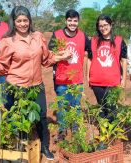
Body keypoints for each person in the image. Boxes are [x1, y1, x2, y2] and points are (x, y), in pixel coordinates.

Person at [0, 6, 71, 160]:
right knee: (16, 119)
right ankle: (20, 149)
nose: (23, 23)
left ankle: (44, 147)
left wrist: (61, 56)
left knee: (41, 117)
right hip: (15, 87)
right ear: (14, 22)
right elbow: (2, 64)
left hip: (36, 86)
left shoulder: (38, 37)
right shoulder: (7, 41)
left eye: (25, 20)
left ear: (30, 21)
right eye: (19, 21)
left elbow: (46, 58)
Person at [48, 9, 91, 138]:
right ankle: (62, 130)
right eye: (70, 20)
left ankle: (76, 129)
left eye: (75, 20)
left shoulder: (83, 36)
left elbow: (91, 52)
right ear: (66, 21)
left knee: (76, 106)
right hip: (61, 79)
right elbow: (49, 54)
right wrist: (62, 55)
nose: (72, 23)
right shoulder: (57, 34)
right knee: (62, 106)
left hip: (77, 79)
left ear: (78, 21)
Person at [87, 14, 127, 122]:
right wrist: (87, 77)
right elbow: (90, 59)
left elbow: (124, 60)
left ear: (111, 25)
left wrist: (123, 79)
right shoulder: (93, 41)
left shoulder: (119, 41)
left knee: (111, 107)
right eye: (100, 26)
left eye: (105, 25)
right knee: (102, 106)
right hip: (96, 81)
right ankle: (103, 131)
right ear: (97, 27)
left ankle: (111, 132)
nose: (103, 28)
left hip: (113, 81)